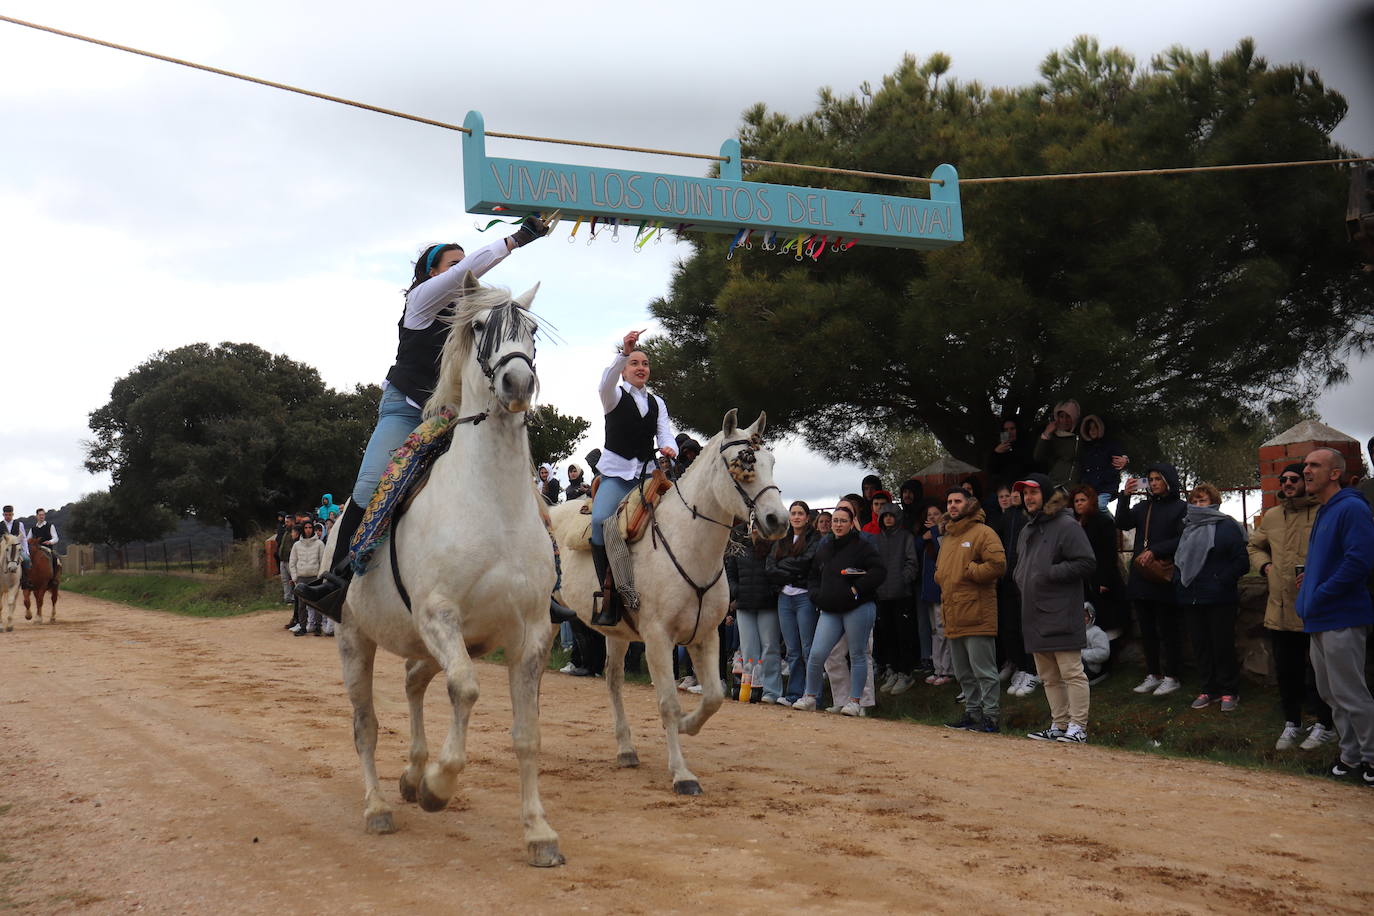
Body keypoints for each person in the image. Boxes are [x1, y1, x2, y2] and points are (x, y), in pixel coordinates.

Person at [295, 217, 566, 622]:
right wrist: (517, 239)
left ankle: (546, 587)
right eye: (455, 266)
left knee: (519, 485)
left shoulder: (474, 324)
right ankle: (337, 580)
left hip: (456, 416)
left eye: (465, 265)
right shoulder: (420, 304)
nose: (464, 272)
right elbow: (464, 274)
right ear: (431, 275)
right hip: (406, 409)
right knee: (372, 484)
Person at [588, 329, 678, 626]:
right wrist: (624, 352)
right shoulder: (612, 395)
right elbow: (605, 380)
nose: (641, 368)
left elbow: (665, 432)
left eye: (645, 364)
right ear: (625, 370)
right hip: (616, 475)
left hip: (647, 476)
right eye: (635, 363)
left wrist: (670, 447)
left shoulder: (658, 402)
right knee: (601, 521)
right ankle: (609, 595)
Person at [1296, 448, 1374, 783]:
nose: (1306, 470)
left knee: (1351, 694)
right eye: (1306, 465)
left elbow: (1359, 562)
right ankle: (1350, 758)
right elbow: (1328, 562)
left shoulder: (1352, 508)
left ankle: (1372, 760)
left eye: (1314, 465)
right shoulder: (1325, 511)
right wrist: (1309, 587)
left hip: (1341, 615)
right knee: (1331, 693)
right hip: (1320, 617)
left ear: (1335, 474)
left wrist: (1321, 592)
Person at [1249, 463, 1335, 750]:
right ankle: (1292, 723)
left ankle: (1325, 724)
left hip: (1315, 607)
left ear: (1306, 480)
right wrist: (1266, 566)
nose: (1287, 483)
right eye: (1283, 479)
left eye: (1294, 479)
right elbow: (1254, 546)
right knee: (1287, 671)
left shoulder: (1324, 511)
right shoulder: (1273, 515)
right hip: (1280, 608)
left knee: (1319, 673)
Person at [1014, 474, 1096, 743]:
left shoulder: (1067, 525)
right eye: (1025, 494)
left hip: (1061, 612)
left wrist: (1048, 572)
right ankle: (1059, 725)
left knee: (1072, 672)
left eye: (1033, 493)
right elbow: (1022, 566)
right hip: (1034, 612)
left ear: (1046, 495)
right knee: (1048, 677)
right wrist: (1021, 575)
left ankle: (1078, 727)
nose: (1028, 498)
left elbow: (1086, 563)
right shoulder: (1027, 529)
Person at [792, 506, 886, 716]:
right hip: (830, 609)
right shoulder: (825, 547)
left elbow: (879, 572)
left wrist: (856, 588)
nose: (838, 525)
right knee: (817, 654)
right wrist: (816, 595)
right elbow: (813, 576)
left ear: (852, 523)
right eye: (835, 520)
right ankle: (810, 696)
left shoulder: (863, 546)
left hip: (858, 607)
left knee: (858, 654)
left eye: (843, 521)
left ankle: (855, 701)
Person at [934, 488, 1007, 732]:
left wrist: (972, 572)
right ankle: (972, 714)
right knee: (963, 673)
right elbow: (941, 570)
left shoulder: (984, 532)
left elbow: (998, 565)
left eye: (957, 501)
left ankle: (991, 717)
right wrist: (940, 576)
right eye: (949, 501)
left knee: (984, 671)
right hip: (953, 613)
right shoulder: (949, 537)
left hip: (977, 613)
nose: (952, 505)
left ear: (969, 504)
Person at [1175, 483, 1249, 712]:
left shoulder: (1227, 526)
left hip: (1219, 598)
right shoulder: (1187, 527)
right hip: (1192, 596)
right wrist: (1179, 582)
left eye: (1203, 501)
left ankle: (1229, 691)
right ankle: (1208, 689)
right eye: (1195, 501)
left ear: (1214, 502)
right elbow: (1180, 560)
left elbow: (1241, 562)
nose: (1198, 505)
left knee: (1222, 645)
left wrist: (1220, 580)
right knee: (1201, 646)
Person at [1116, 464, 1187, 698]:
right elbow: (1122, 523)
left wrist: (1156, 550)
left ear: (1169, 481)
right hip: (1141, 575)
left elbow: (1182, 538)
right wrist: (1124, 496)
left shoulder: (1180, 508)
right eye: (1151, 479)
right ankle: (1153, 674)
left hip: (1163, 574)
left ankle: (1172, 676)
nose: (1154, 483)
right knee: (1147, 630)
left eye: (1158, 479)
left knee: (1168, 629)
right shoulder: (1143, 506)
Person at [768, 500, 821, 705]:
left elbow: (806, 563)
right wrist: (788, 571)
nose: (797, 516)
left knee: (808, 648)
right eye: (793, 513)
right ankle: (794, 694)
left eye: (800, 513)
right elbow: (770, 567)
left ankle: (812, 694)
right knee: (792, 650)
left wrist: (783, 566)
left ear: (807, 517)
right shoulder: (782, 538)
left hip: (804, 597)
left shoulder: (814, 538)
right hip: (784, 598)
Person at [727, 524, 783, 703]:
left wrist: (772, 592)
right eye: (753, 524)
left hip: (767, 605)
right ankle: (750, 688)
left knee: (770, 648)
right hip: (744, 605)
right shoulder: (739, 545)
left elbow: (777, 572)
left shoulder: (774, 544)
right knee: (749, 649)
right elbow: (730, 573)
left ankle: (771, 691)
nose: (755, 528)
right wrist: (737, 591)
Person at [873, 502, 919, 696]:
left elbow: (912, 562)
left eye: (892, 515)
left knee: (904, 635)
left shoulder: (905, 537)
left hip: (902, 595)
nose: (888, 519)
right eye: (885, 516)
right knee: (887, 635)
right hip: (882, 596)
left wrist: (903, 580)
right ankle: (892, 670)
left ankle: (905, 673)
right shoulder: (876, 540)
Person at [1070, 484, 1127, 635]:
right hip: (1082, 581)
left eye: (1083, 500)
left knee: (1107, 625)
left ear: (1091, 501)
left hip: (1101, 579)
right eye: (1076, 501)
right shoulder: (1072, 525)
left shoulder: (1103, 521)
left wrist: (1104, 580)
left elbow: (1109, 553)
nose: (1079, 503)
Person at [918, 501, 954, 686]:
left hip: (941, 588)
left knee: (942, 629)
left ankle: (947, 670)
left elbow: (943, 552)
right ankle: (938, 668)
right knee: (934, 630)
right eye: (929, 515)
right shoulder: (924, 538)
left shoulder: (944, 534)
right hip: (929, 589)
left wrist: (933, 532)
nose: (932, 517)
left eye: (935, 513)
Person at [1078, 415, 1128, 511]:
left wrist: (1108, 478)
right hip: (1089, 488)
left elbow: (1119, 461)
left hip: (1106, 487)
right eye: (1090, 428)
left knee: (1100, 507)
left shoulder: (1111, 444)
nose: (1092, 431)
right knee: (1087, 510)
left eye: (1095, 427)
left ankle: (1111, 523)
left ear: (1100, 428)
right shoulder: (1085, 448)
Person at [1033, 400, 1083, 490]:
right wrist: (1046, 434)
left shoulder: (1082, 435)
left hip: (1075, 489)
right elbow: (1038, 457)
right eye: (1061, 416)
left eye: (1068, 416)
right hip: (1055, 486)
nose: (1064, 420)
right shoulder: (1052, 437)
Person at [289, 521, 328, 636]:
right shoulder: (297, 545)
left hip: (315, 577)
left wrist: (320, 576)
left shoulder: (319, 544)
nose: (308, 529)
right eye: (306, 527)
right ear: (303, 529)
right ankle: (302, 627)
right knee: (301, 604)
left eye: (310, 527)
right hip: (301, 577)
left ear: (313, 529)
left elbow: (323, 562)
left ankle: (317, 627)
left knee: (316, 603)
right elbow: (292, 562)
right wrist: (295, 577)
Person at [988, 418, 1034, 485]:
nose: (1009, 432)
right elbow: (992, 471)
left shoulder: (1027, 445)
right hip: (1004, 489)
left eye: (1012, 429)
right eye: (1006, 430)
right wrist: (996, 453)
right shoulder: (998, 448)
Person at [1081, 603, 1111, 685]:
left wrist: (1082, 653)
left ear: (1091, 617)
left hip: (1091, 667)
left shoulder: (1096, 632)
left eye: (1085, 616)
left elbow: (1103, 653)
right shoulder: (1077, 633)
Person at [3, 506, 30, 583]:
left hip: (16, 550)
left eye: (9, 515)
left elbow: (24, 538)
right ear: (3, 514)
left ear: (12, 514)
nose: (8, 516)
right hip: (4, 550)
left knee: (27, 560)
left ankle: (25, 580)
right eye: (6, 515)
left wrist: (26, 551)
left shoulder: (19, 524)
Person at [29, 509, 60, 574]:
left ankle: (54, 576)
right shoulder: (33, 528)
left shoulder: (50, 526)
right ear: (36, 516)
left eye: (43, 515)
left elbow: (56, 538)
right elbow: (28, 539)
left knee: (55, 558)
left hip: (47, 548)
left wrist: (50, 542)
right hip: (36, 549)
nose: (41, 517)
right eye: (40, 515)